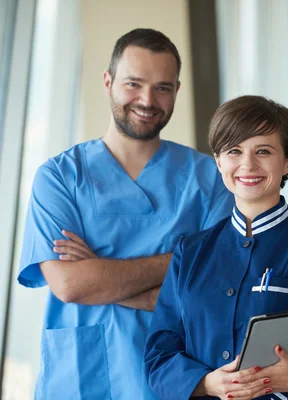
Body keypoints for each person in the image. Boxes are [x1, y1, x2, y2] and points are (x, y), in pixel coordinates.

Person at [17, 28, 233, 399]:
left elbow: (211, 294)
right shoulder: (59, 178)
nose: (147, 100)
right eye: (134, 83)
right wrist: (182, 260)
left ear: (177, 91)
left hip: (175, 378)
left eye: (163, 87)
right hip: (82, 380)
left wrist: (99, 273)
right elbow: (70, 285)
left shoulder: (209, 179)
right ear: (108, 81)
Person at [144, 95, 288, 400]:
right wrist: (209, 383)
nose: (247, 165)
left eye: (263, 151)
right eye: (234, 151)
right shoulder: (190, 251)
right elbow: (158, 358)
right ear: (219, 161)